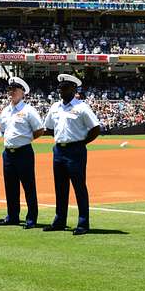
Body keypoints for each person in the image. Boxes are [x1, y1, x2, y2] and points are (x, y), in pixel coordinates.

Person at [43, 74, 100, 235]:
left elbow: (95, 128)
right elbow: (49, 128)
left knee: (79, 187)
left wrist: (82, 143)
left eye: (65, 87)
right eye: (60, 87)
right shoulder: (55, 107)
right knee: (60, 188)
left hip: (75, 150)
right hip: (59, 150)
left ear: (74, 89)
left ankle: (83, 223)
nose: (61, 90)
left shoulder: (82, 107)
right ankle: (60, 220)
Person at [0, 77, 44, 229]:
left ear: (22, 92)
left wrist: (26, 140)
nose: (11, 92)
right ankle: (12, 216)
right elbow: (4, 130)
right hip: (8, 153)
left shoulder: (28, 110)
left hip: (23, 152)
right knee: (10, 187)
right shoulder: (5, 111)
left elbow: (39, 130)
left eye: (15, 89)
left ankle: (31, 218)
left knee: (28, 186)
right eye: (10, 89)